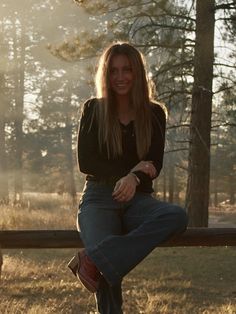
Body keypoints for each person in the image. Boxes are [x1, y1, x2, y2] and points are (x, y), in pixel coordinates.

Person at [68, 42, 188, 314]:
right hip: (98, 198)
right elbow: (87, 163)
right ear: (106, 75)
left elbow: (154, 165)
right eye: (113, 71)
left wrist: (133, 179)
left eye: (127, 70)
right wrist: (132, 172)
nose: (120, 77)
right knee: (108, 269)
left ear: (138, 73)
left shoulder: (154, 113)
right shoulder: (93, 110)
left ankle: (92, 260)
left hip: (139, 201)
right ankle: (98, 259)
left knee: (176, 216)